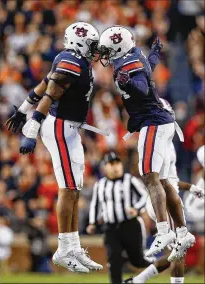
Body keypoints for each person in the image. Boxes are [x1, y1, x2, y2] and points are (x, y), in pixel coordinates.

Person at [6, 22, 103, 273]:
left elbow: (42, 83)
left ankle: (73, 245)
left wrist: (21, 109)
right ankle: (63, 248)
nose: (95, 50)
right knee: (67, 188)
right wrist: (31, 128)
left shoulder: (71, 59)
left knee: (75, 188)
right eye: (92, 45)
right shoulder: (71, 62)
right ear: (79, 43)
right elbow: (49, 94)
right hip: (60, 128)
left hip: (71, 129)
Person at [98, 26, 195, 261]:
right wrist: (154, 55)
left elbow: (140, 88)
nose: (105, 55)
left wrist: (128, 84)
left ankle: (163, 232)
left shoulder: (126, 64)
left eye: (108, 50)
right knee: (162, 180)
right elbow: (147, 70)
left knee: (149, 177)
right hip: (157, 121)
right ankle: (182, 232)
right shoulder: (134, 55)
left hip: (153, 123)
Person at [123, 100, 204, 284]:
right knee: (178, 250)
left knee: (174, 251)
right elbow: (165, 182)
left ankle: (137, 281)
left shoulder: (155, 140)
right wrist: (190, 187)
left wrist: (190, 187)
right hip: (165, 200)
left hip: (159, 198)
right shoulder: (162, 142)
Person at [87, 151, 174, 284]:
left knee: (138, 260)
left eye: (117, 163)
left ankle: (156, 264)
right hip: (110, 228)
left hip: (130, 225)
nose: (115, 166)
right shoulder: (100, 185)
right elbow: (95, 204)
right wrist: (92, 222)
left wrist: (137, 209)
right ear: (105, 167)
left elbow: (144, 196)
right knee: (113, 259)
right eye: (111, 164)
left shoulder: (130, 180)